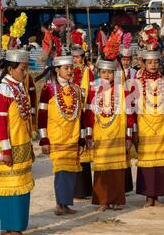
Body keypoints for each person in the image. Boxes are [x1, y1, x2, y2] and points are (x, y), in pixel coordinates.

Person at [0, 50, 34, 235]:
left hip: (22, 145)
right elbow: (0, 124)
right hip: (10, 147)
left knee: (21, 188)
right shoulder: (3, 90)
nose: (25, 73)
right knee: (12, 188)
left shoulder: (19, 87)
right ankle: (11, 229)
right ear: (10, 68)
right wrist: (6, 150)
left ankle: (13, 228)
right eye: (22, 69)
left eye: (25, 69)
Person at [38, 55, 84, 216]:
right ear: (57, 70)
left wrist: (82, 139)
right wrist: (44, 139)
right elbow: (42, 114)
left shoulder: (76, 89)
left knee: (71, 171)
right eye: (66, 68)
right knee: (61, 170)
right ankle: (60, 203)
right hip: (56, 137)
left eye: (71, 68)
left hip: (73, 136)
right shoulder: (48, 89)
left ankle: (66, 204)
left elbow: (81, 115)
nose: (70, 71)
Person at [85, 59, 134, 211]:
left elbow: (130, 114)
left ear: (115, 74)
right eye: (103, 72)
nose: (106, 75)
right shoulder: (93, 89)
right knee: (101, 170)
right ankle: (102, 201)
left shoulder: (122, 89)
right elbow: (88, 114)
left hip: (118, 134)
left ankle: (116, 200)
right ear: (98, 73)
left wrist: (128, 137)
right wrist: (88, 136)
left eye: (110, 73)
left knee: (117, 171)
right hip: (100, 135)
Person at [133, 50, 164, 207]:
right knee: (147, 163)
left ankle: (156, 196)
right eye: (149, 62)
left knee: (161, 165)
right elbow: (132, 108)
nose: (153, 65)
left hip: (163, 127)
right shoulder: (136, 83)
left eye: (156, 62)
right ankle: (148, 197)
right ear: (143, 64)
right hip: (144, 128)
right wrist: (134, 130)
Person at [72, 47, 94, 199]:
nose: (75, 60)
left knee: (84, 151)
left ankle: (85, 189)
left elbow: (92, 92)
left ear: (83, 57)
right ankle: (75, 190)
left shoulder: (88, 72)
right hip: (71, 114)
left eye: (78, 57)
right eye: (73, 57)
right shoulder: (68, 71)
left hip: (85, 112)